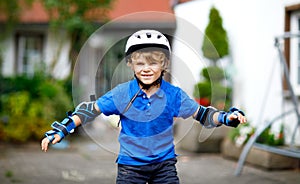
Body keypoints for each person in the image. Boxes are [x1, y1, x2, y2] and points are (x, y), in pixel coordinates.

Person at [41, 29, 247, 184]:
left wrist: (226, 118)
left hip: (164, 166)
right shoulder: (122, 93)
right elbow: (89, 110)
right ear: (131, 64)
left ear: (164, 64)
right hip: (130, 167)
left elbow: (202, 114)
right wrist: (62, 129)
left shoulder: (173, 95)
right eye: (140, 63)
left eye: (153, 63)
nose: (146, 69)